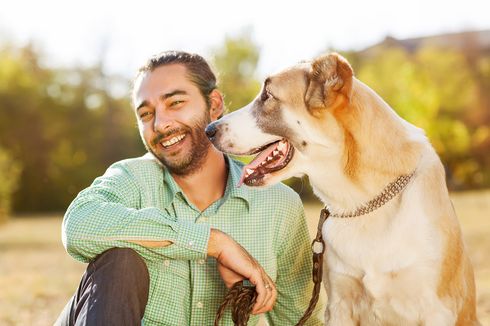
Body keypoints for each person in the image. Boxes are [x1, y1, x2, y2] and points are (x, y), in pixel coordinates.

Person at [55, 51, 323, 325]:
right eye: (146, 114)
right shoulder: (131, 178)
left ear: (214, 104)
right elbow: (78, 225)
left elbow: (300, 320)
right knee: (121, 263)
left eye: (175, 103)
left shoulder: (278, 205)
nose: (160, 124)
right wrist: (214, 243)